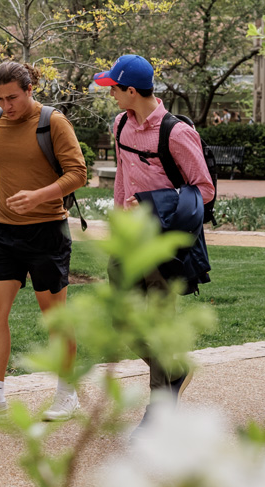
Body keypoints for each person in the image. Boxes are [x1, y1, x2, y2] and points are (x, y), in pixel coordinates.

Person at [0, 61, 87, 423]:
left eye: (12, 97)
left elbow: (78, 173)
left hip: (48, 230)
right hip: (6, 233)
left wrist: (40, 195)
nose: (6, 105)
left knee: (54, 316)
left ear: (30, 89)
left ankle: (67, 393)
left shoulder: (53, 123)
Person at [92, 54, 215, 431]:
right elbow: (123, 177)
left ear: (131, 91)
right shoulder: (120, 125)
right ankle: (176, 371)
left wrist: (151, 203)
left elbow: (205, 191)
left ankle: (160, 410)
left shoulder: (176, 133)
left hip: (163, 243)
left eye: (114, 89)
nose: (111, 94)